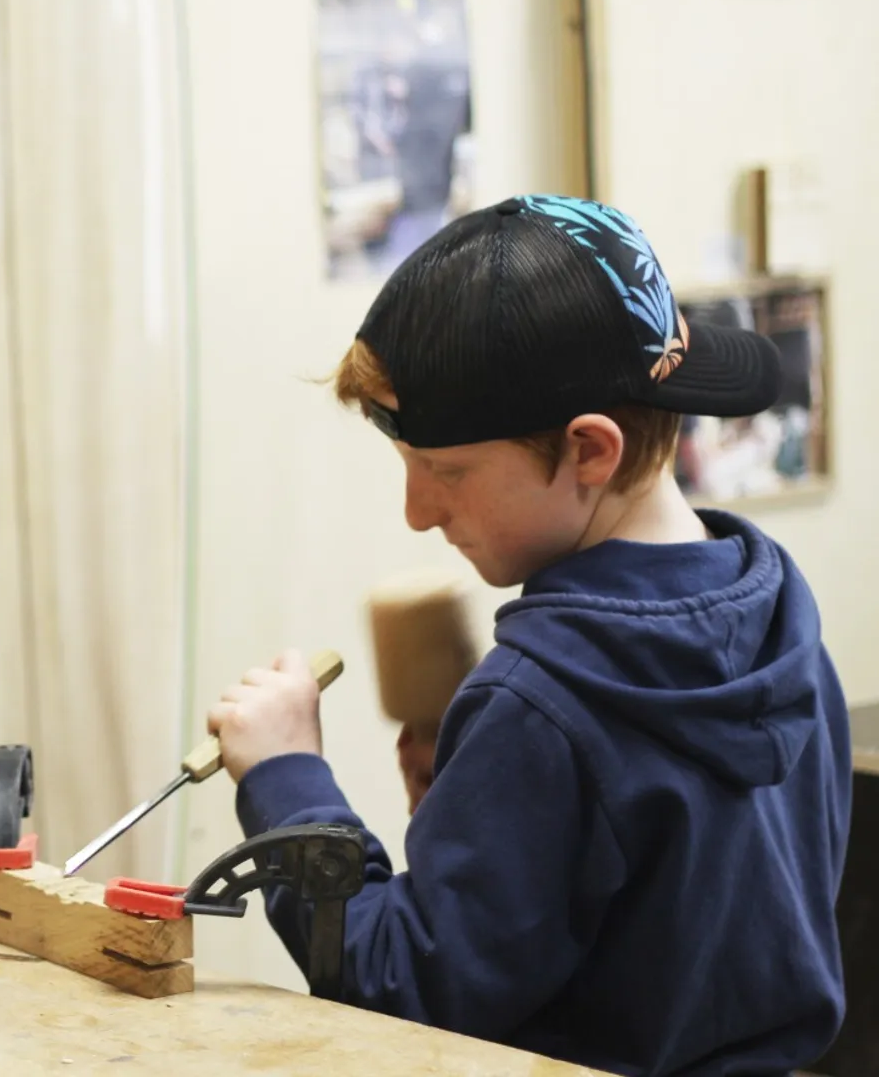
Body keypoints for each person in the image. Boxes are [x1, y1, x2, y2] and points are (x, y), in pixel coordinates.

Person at [207, 195, 850, 1076]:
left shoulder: (539, 705)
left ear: (591, 450)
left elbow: (403, 995)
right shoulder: (780, 616)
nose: (416, 512)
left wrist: (288, 784)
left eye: (447, 472)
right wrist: (473, 808)